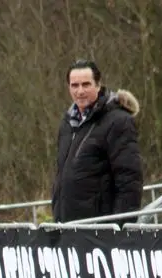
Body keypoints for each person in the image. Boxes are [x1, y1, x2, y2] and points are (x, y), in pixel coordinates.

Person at [51, 59, 143, 224]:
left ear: (98, 85)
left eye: (86, 85)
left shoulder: (118, 121)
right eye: (74, 85)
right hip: (68, 227)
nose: (80, 91)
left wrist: (120, 227)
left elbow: (129, 181)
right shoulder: (66, 124)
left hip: (101, 230)